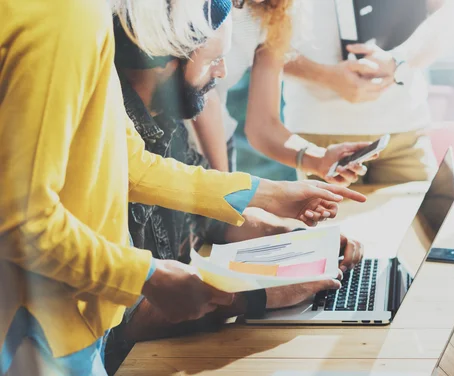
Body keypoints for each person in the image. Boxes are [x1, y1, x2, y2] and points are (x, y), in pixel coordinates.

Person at [0, 0, 366, 374]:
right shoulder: (66, 17)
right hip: (42, 319)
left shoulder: (81, 16)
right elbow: (22, 221)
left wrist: (269, 195)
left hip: (71, 314)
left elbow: (133, 165)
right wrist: (148, 276)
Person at [105, 8, 364, 373]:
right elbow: (128, 320)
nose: (224, 73)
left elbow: (208, 219)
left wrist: (291, 237)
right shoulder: (110, 149)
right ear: (163, 58)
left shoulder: (164, 120)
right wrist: (262, 296)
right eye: (214, 60)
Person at [191, 0, 377, 186]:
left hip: (218, 144)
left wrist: (319, 158)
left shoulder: (275, 13)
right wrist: (225, 188)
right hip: (175, 145)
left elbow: (263, 125)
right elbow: (203, 94)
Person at [282, 0, 454, 185]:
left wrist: (400, 60)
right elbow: (261, 39)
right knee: (335, 214)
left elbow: (449, 13)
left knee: (423, 213)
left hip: (404, 131)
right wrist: (326, 76)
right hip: (320, 136)